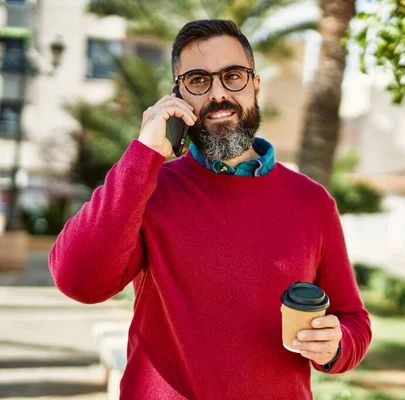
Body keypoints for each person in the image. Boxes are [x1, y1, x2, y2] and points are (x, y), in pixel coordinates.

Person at [49, 20, 371, 399]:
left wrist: (336, 346)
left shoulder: (312, 201)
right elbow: (79, 279)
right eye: (199, 80)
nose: (218, 94)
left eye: (233, 76)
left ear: (255, 85)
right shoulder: (147, 189)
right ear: (178, 95)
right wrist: (144, 153)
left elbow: (354, 323)